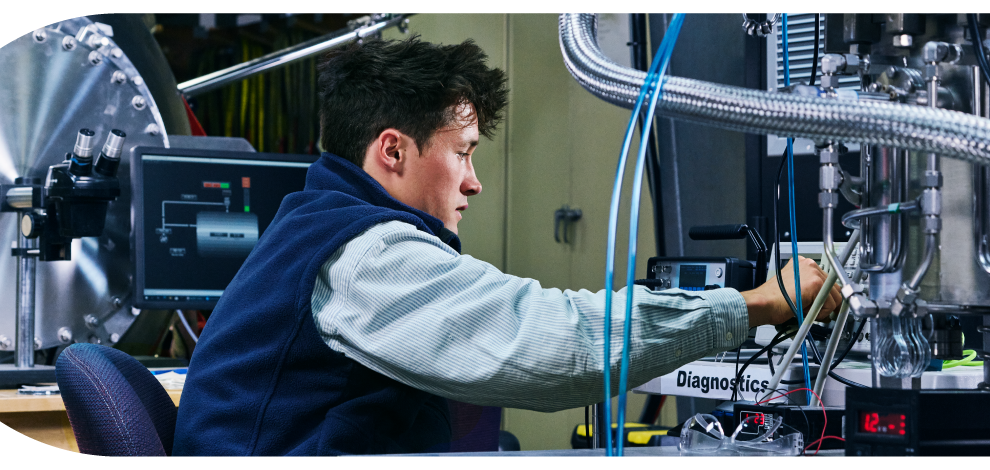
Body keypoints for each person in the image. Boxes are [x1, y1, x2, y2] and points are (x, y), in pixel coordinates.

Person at [172, 36, 841, 456]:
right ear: (394, 150)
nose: (474, 182)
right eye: (462, 154)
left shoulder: (320, 222)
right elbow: (551, 342)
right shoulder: (363, 257)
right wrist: (759, 303)